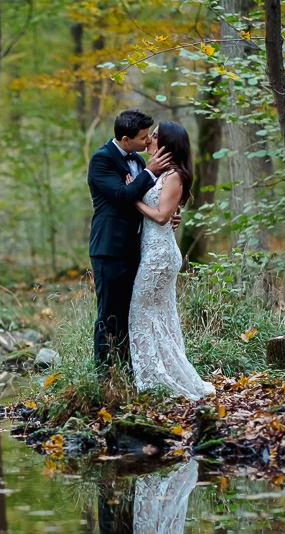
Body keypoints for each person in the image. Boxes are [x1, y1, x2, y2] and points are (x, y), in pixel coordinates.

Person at [128, 122, 216, 400]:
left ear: (167, 144)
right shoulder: (158, 174)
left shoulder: (175, 175)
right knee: (160, 315)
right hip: (153, 251)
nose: (150, 138)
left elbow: (162, 216)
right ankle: (163, 374)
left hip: (160, 255)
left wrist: (132, 199)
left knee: (139, 311)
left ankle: (155, 379)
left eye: (155, 135)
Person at [86, 109, 173, 375]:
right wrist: (148, 172)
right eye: (143, 137)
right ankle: (104, 377)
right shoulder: (102, 160)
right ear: (125, 139)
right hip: (109, 250)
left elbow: (149, 199)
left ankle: (126, 372)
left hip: (137, 249)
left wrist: (170, 216)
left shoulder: (135, 158)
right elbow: (123, 197)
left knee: (130, 315)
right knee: (109, 315)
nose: (148, 141)